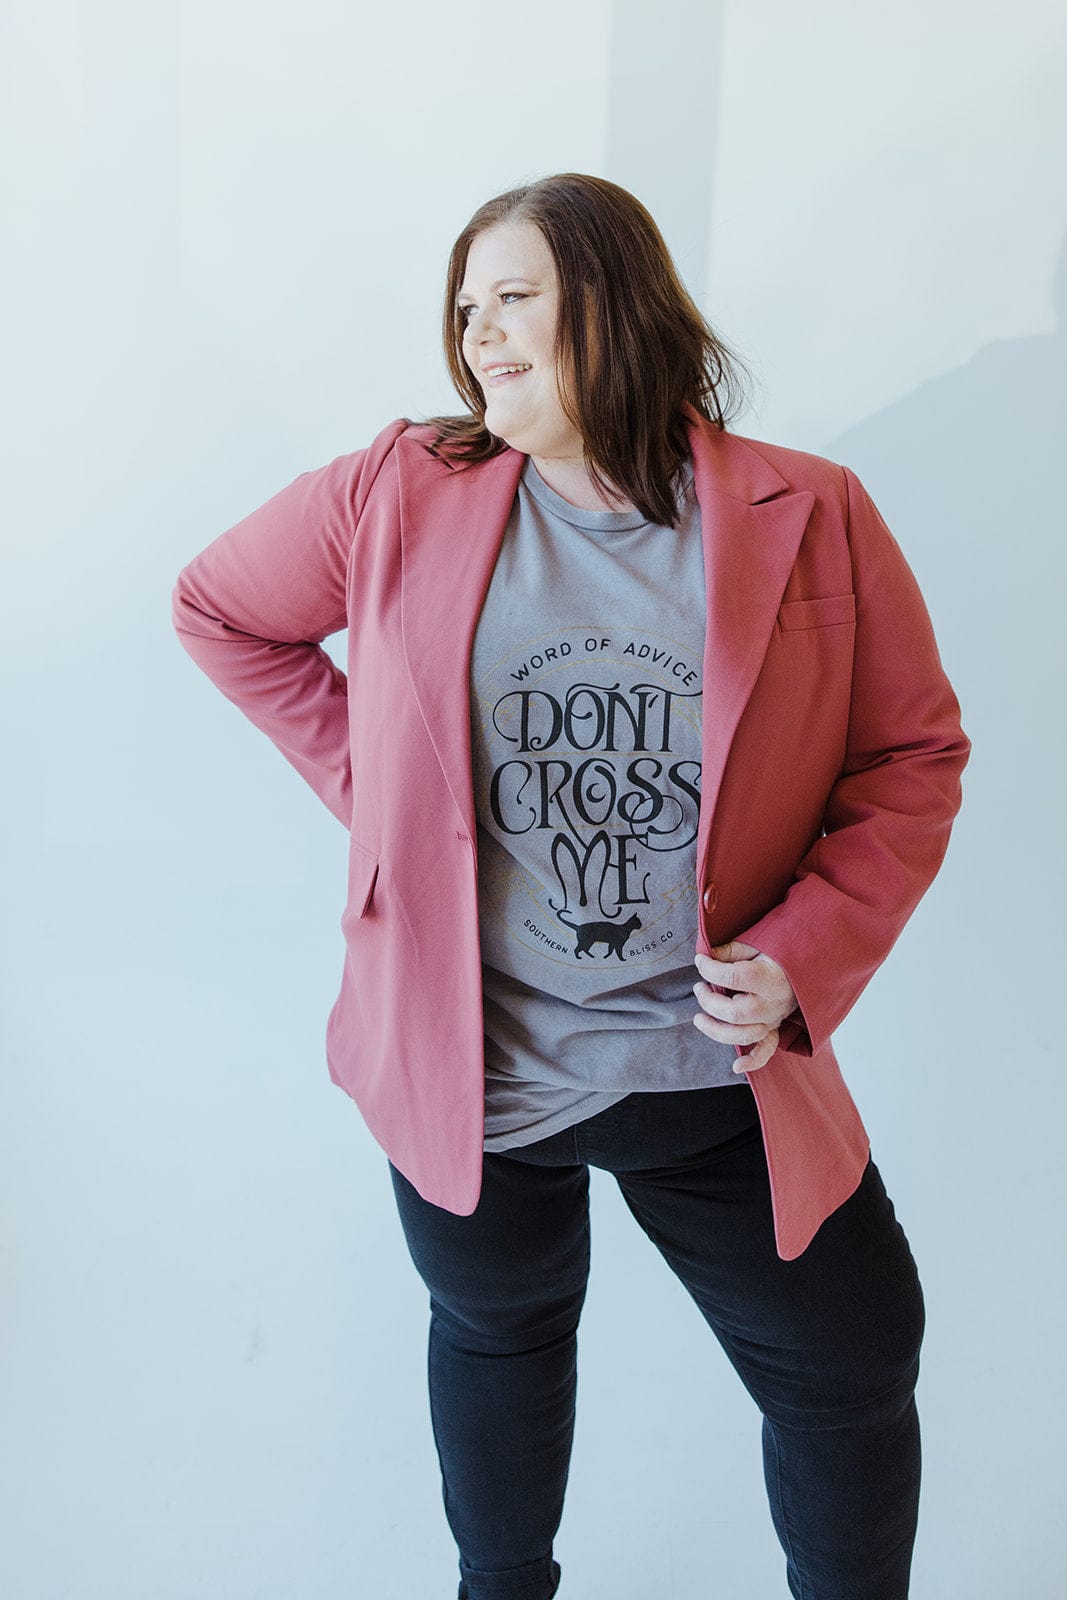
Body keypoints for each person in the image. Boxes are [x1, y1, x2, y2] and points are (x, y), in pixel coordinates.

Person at [172, 172, 970, 1600]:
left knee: (854, 1366)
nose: (479, 334)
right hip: (471, 1062)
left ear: (613, 301)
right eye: (464, 306)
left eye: (514, 297)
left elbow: (912, 755)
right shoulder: (397, 488)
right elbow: (222, 610)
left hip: (711, 1064)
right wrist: (385, 808)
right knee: (498, 1335)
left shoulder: (807, 512)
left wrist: (809, 954)